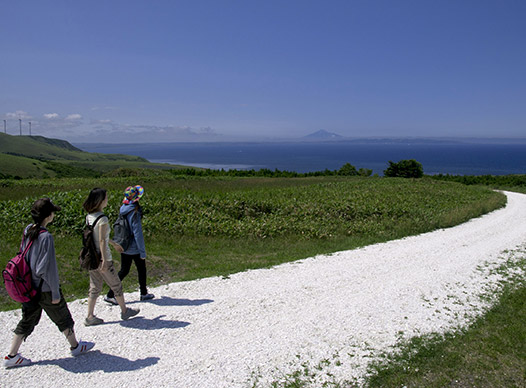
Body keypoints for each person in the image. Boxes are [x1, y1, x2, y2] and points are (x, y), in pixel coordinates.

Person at [4, 198, 94, 369]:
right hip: (44, 287)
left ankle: (12, 355)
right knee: (63, 317)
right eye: (53, 212)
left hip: (28, 286)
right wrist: (55, 293)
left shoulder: (27, 230)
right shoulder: (46, 237)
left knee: (27, 319)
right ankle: (75, 347)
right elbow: (47, 269)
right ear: (48, 215)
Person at [82, 188, 139, 326]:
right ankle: (125, 311)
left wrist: (113, 244)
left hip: (92, 257)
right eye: (106, 197)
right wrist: (104, 260)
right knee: (116, 284)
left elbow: (97, 237)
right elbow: (102, 240)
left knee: (94, 287)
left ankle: (89, 316)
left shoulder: (89, 217)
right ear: (101, 201)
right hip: (103, 257)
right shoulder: (103, 218)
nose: (108, 199)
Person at [104, 185, 154, 305]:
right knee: (141, 269)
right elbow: (137, 233)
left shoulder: (123, 209)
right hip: (134, 247)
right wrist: (142, 251)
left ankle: (111, 294)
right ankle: (143, 293)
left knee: (124, 270)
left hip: (123, 244)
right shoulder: (135, 211)